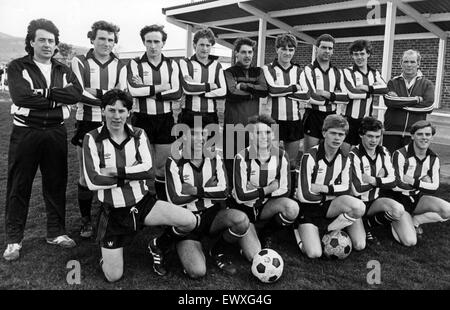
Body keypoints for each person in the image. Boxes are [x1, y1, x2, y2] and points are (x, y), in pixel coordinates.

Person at [82, 89, 198, 282]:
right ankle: (107, 253)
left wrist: (114, 171)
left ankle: (158, 244)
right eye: (111, 110)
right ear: (103, 111)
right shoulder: (91, 139)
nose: (116, 116)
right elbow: (93, 181)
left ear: (129, 112)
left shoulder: (139, 134)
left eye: (121, 111)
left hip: (143, 204)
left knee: (189, 221)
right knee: (113, 276)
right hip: (113, 213)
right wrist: (131, 173)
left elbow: (149, 171)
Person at [3, 19, 82, 261]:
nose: (48, 44)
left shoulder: (62, 69)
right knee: (19, 185)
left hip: (56, 132)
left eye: (51, 41)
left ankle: (56, 233)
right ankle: (14, 240)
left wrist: (44, 94)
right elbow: (22, 97)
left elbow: (75, 93)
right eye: (42, 40)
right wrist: (58, 99)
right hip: (26, 131)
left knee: (56, 182)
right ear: (31, 42)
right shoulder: (18, 67)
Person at [163, 123, 250, 278]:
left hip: (212, 216)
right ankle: (179, 244)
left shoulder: (215, 157)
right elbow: (176, 199)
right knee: (197, 272)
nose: (200, 139)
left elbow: (224, 192)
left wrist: (197, 190)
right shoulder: (173, 161)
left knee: (241, 220)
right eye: (194, 134)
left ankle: (218, 250)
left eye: (203, 134)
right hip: (187, 221)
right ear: (183, 137)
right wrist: (209, 189)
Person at [71, 20, 127, 239]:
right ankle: (85, 220)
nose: (106, 43)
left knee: (111, 168)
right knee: (86, 175)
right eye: (102, 38)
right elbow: (77, 92)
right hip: (86, 123)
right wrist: (108, 95)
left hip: (112, 123)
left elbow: (121, 95)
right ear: (92, 39)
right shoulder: (80, 60)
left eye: (110, 40)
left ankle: (109, 213)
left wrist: (94, 90)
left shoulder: (120, 64)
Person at [294, 114, 366, 258]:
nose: (337, 138)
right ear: (324, 133)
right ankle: (297, 229)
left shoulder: (345, 158)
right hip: (309, 208)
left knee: (360, 240)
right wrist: (332, 193)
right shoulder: (310, 156)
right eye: (333, 133)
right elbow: (304, 195)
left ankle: (326, 229)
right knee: (314, 253)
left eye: (341, 134)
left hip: (329, 205)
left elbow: (346, 188)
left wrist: (323, 188)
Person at [232, 114, 299, 260]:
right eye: (258, 133)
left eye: (267, 132)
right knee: (255, 256)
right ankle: (246, 233)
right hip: (245, 208)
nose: (264, 136)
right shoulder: (241, 157)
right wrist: (269, 188)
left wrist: (255, 190)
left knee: (292, 208)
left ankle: (267, 232)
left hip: (266, 207)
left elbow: (285, 190)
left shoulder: (281, 155)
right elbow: (240, 195)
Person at [127, 24, 182, 201]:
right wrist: (163, 87)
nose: (152, 46)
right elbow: (134, 91)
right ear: (144, 42)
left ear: (163, 43)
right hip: (141, 119)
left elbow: (177, 92)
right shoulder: (135, 63)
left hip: (165, 119)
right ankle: (141, 202)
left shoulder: (172, 64)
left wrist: (146, 88)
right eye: (148, 41)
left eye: (156, 41)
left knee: (161, 165)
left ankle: (161, 201)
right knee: (141, 163)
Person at [350, 117, 414, 246]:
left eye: (377, 136)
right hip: (356, 204)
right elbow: (357, 189)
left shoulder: (384, 151)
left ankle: (369, 224)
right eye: (370, 136)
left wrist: (374, 180)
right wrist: (382, 179)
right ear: (361, 135)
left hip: (375, 201)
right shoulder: (353, 155)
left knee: (398, 209)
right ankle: (358, 224)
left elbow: (394, 181)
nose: (374, 140)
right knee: (359, 245)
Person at [386, 120, 450, 243]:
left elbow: (434, 187)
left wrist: (413, 181)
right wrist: (424, 183)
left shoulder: (433, 158)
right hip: (398, 200)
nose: (424, 137)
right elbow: (396, 185)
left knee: (447, 210)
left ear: (432, 136)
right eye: (420, 134)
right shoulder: (400, 154)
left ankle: (416, 221)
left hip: (417, 198)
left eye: (428, 134)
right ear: (412, 136)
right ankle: (395, 221)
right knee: (410, 241)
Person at [263, 33, 310, 195]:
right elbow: (272, 90)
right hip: (273, 120)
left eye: (291, 49)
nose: (287, 53)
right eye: (284, 49)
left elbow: (306, 94)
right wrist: (294, 88)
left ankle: (288, 192)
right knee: (272, 160)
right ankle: (270, 192)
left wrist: (285, 90)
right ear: (277, 50)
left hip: (294, 120)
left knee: (290, 162)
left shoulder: (299, 70)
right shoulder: (268, 68)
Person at [223, 38, 268, 186]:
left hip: (252, 126)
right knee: (231, 162)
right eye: (243, 52)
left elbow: (264, 90)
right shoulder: (229, 72)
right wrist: (252, 92)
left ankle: (249, 194)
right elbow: (231, 93)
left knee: (251, 162)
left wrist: (244, 86)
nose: (247, 55)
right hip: (232, 124)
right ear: (236, 53)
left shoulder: (258, 71)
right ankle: (231, 195)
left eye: (250, 52)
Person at [300, 34, 348, 153]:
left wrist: (327, 94)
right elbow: (311, 96)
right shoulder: (308, 69)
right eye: (323, 47)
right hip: (313, 116)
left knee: (330, 154)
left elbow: (346, 97)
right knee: (310, 154)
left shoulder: (337, 72)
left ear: (333, 51)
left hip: (332, 116)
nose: (327, 51)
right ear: (316, 48)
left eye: (330, 48)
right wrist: (334, 97)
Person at [383, 50, 434, 153]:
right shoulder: (393, 82)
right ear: (401, 63)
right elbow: (389, 101)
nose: (409, 65)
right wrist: (416, 100)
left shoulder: (427, 84)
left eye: (412, 62)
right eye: (406, 62)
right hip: (392, 132)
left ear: (418, 64)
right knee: (390, 166)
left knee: (411, 166)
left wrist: (399, 103)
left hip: (414, 134)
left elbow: (429, 107)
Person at [341, 40, 388, 152]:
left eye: (362, 53)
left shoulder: (374, 73)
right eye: (356, 54)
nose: (359, 57)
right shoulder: (347, 71)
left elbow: (385, 89)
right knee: (344, 155)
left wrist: (366, 87)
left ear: (368, 54)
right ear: (352, 55)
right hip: (349, 120)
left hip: (367, 120)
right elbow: (351, 93)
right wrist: (373, 90)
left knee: (363, 154)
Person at [178, 28, 226, 128]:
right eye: (201, 45)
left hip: (210, 115)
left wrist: (197, 88)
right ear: (194, 45)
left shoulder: (217, 65)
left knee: (210, 144)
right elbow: (187, 87)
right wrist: (212, 86)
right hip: (189, 114)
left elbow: (223, 91)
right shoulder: (185, 63)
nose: (205, 48)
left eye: (208, 45)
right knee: (189, 144)